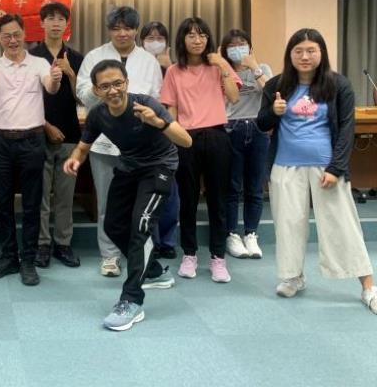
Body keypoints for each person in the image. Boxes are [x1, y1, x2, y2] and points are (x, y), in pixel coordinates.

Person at [64, 60, 192, 331]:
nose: (113, 90)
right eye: (105, 86)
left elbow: (185, 140)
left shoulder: (145, 104)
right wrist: (75, 159)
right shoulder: (98, 115)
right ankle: (154, 271)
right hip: (129, 167)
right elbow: (83, 146)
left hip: (159, 167)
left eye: (117, 83)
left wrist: (158, 122)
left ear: (127, 83)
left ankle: (131, 300)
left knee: (140, 228)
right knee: (112, 225)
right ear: (96, 91)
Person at [257, 28, 377, 313]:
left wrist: (336, 168)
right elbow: (262, 123)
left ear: (321, 53)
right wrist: (273, 111)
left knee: (343, 225)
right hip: (285, 166)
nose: (305, 56)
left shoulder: (338, 85)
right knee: (288, 225)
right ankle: (293, 276)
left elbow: (347, 128)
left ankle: (368, 287)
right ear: (290, 55)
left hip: (327, 167)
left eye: (311, 50)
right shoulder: (276, 85)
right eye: (298, 51)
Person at [76, 6, 163, 277]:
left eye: (128, 28)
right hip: (104, 143)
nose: (122, 33)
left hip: (142, 147)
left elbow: (157, 98)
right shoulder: (94, 57)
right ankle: (110, 256)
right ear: (108, 30)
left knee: (141, 207)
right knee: (107, 204)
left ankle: (141, 254)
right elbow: (82, 94)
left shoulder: (149, 61)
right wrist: (103, 89)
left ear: (136, 30)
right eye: (116, 28)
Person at [0, 13, 62, 286]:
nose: (13, 40)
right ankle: (8, 257)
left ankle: (28, 260)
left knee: (32, 204)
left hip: (32, 141)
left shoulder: (39, 63)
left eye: (17, 34)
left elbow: (51, 88)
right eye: (7, 36)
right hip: (1, 141)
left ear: (25, 34)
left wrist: (56, 78)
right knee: (2, 203)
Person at [160, 17, 241, 283]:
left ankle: (218, 258)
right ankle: (190, 254)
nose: (198, 40)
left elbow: (234, 97)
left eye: (202, 35)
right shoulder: (174, 71)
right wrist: (173, 140)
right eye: (191, 35)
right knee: (188, 199)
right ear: (182, 39)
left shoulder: (218, 66)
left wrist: (223, 65)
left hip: (217, 136)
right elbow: (171, 110)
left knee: (218, 199)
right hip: (186, 138)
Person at [29, 1, 83, 268]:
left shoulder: (77, 57)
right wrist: (46, 126)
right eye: (50, 18)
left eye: (61, 19)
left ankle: (63, 244)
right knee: (40, 195)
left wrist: (71, 74)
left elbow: (83, 98)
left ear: (66, 24)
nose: (55, 23)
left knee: (65, 195)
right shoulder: (32, 57)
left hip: (71, 135)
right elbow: (26, 100)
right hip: (39, 134)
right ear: (42, 23)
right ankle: (42, 244)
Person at [220, 29, 272, 259]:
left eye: (241, 43)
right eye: (232, 45)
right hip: (231, 128)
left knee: (255, 186)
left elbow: (271, 93)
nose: (237, 48)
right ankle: (231, 234)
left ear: (250, 47)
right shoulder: (222, 71)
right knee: (232, 186)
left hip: (258, 128)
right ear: (225, 50)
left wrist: (254, 67)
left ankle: (251, 234)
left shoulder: (263, 68)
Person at [139, 20, 179, 259]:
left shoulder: (174, 67)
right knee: (148, 191)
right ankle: (151, 241)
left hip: (169, 134)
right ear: (141, 41)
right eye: (150, 38)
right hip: (143, 136)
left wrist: (169, 67)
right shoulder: (136, 64)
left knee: (170, 192)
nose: (155, 42)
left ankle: (167, 240)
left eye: (159, 38)